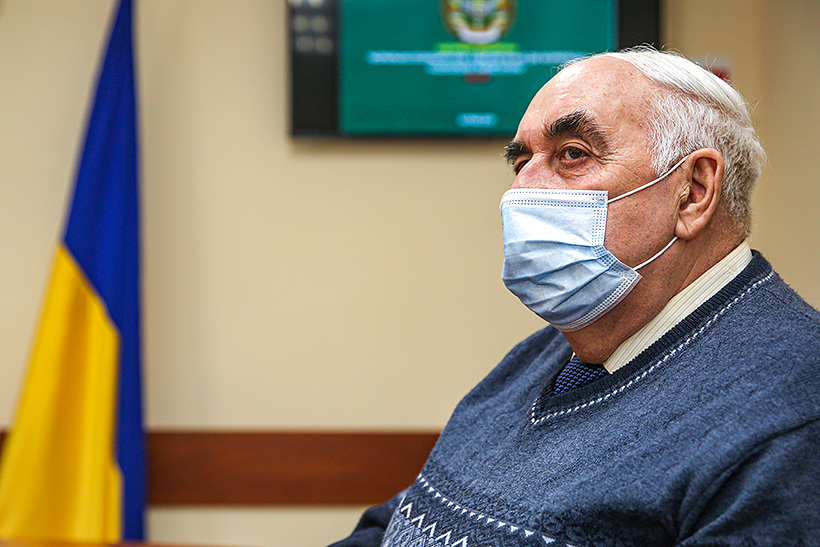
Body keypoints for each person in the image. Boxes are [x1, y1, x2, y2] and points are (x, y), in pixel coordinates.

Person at [330, 47, 820, 547]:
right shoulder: (548, 352)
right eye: (521, 161)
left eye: (572, 154)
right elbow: (403, 521)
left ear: (693, 192)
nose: (520, 190)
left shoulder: (789, 417)